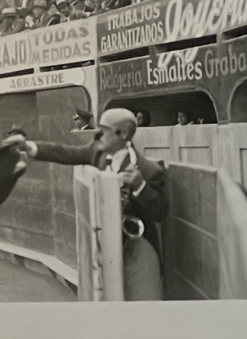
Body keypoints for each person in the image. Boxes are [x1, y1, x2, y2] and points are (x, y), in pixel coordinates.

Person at [15, 107, 167, 300]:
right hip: (103, 246)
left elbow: (160, 213)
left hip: (138, 247)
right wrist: (29, 147)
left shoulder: (149, 171)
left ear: (124, 133)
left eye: (104, 129)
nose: (98, 133)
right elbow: (65, 153)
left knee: (143, 303)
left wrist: (141, 186)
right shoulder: (98, 151)